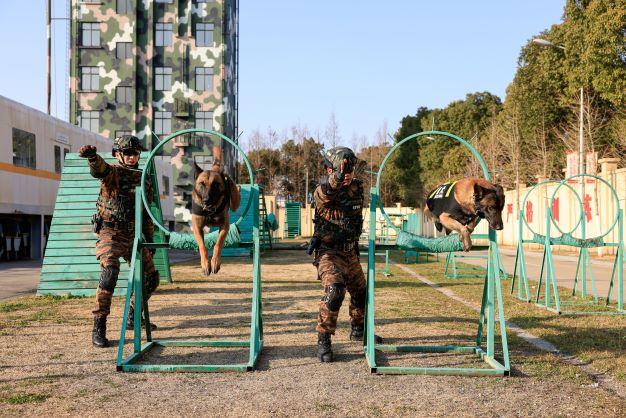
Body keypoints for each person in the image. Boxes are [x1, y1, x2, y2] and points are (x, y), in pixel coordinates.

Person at [78, 135, 159, 348]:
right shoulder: (112, 173)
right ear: (117, 155)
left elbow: (147, 213)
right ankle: (99, 324)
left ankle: (133, 315)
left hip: (134, 235)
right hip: (111, 233)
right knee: (110, 273)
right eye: (128, 153)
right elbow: (100, 169)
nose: (132, 157)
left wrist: (149, 240)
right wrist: (93, 158)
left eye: (135, 153)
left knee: (151, 278)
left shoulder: (144, 179)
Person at [310, 146, 380, 362]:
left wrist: (346, 178)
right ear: (328, 169)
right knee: (335, 291)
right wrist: (337, 177)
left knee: (360, 292)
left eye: (350, 169)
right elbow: (326, 193)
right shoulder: (321, 190)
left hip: (350, 252)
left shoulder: (357, 187)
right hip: (328, 253)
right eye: (342, 169)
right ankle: (324, 339)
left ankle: (358, 329)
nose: (347, 175)